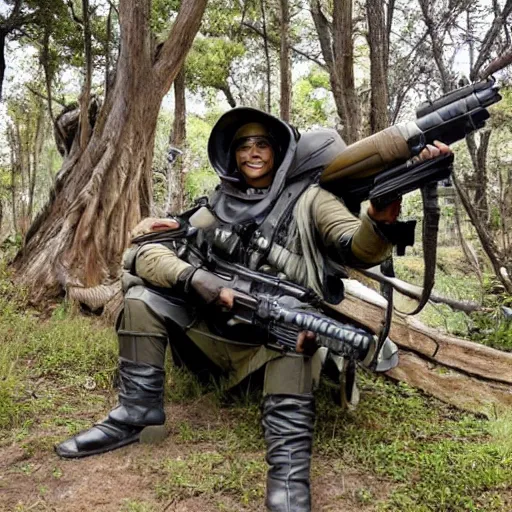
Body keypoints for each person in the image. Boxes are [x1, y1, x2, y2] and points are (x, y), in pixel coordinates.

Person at [55, 107, 451, 511]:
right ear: (231, 153)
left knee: (298, 332)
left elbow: (359, 248)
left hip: (272, 349)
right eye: (243, 144)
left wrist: (380, 215)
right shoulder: (218, 202)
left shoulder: (312, 199)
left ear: (279, 151)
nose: (253, 152)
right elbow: (142, 255)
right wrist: (199, 281)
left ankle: (289, 470)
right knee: (141, 299)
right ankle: (135, 415)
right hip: (213, 339)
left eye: (263, 143)